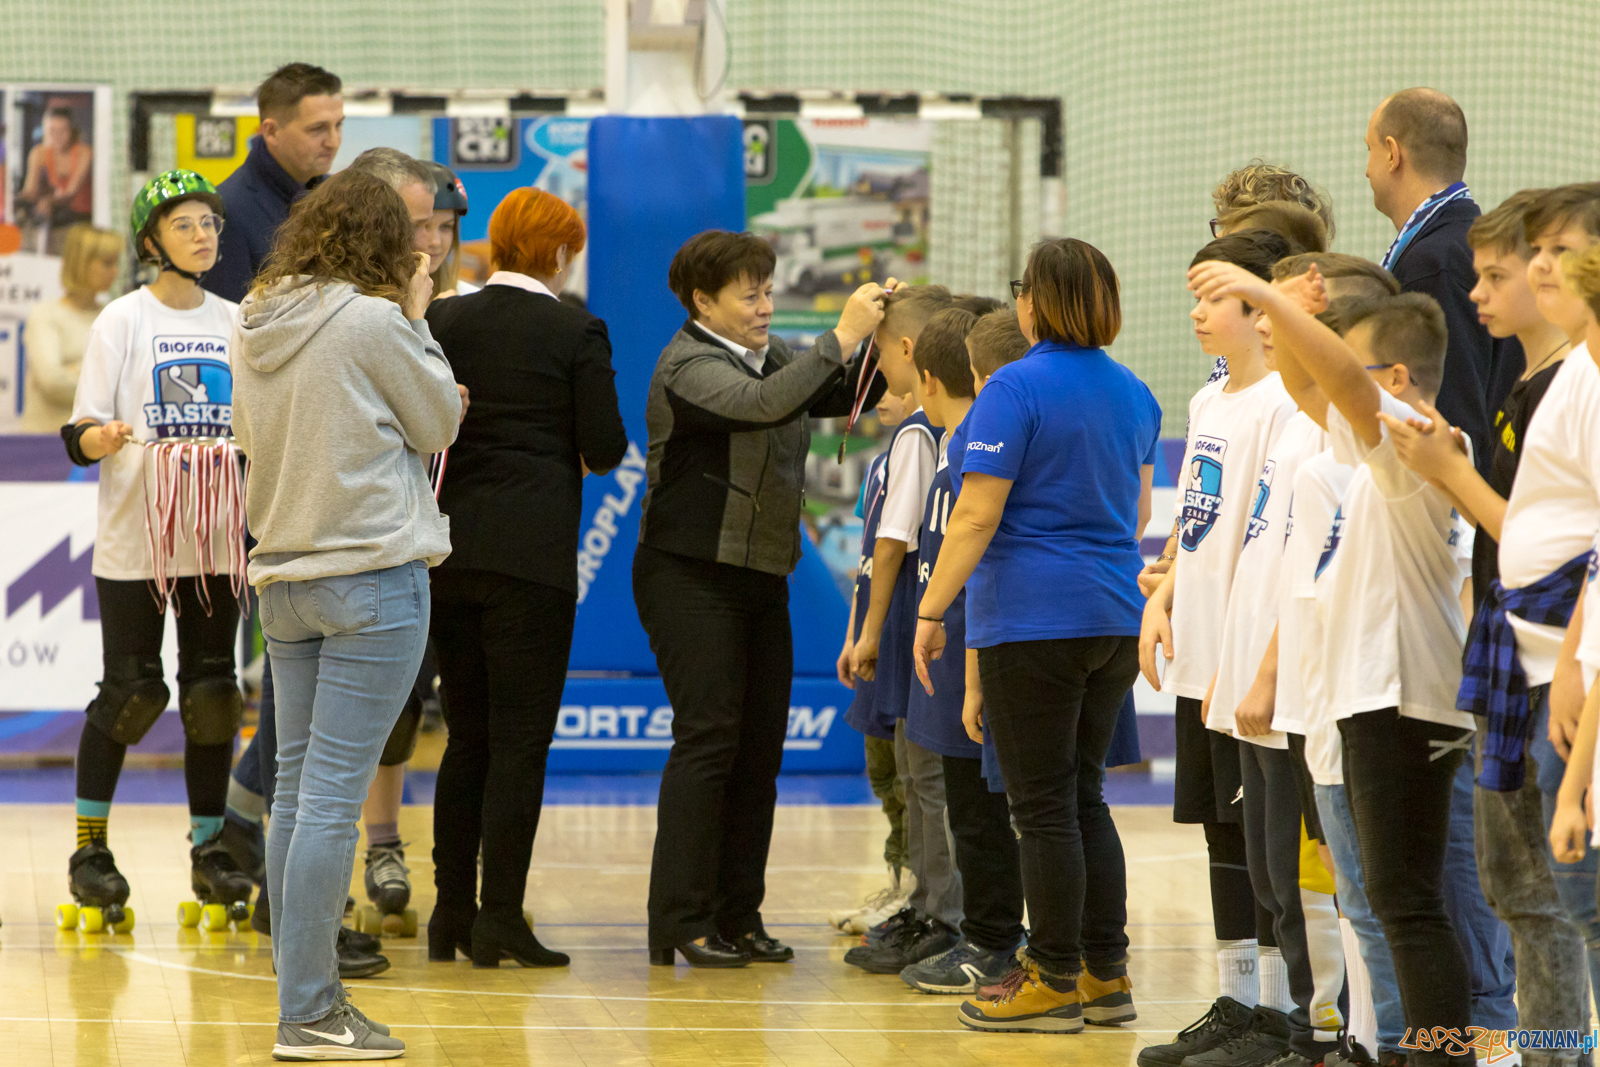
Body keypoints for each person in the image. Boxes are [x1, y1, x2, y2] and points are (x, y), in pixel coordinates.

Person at [1189, 258, 1474, 1067]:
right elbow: (1322, 391)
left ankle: (1442, 1054)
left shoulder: (1418, 444)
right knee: (1384, 900)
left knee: (1409, 904)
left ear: (1393, 375)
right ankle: (1393, 1047)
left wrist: (1271, 301)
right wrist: (1283, 324)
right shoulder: (1357, 460)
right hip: (1366, 702)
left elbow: (1342, 384)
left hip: (1405, 703)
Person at [233, 167, 461, 1061]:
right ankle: (310, 1010)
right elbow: (439, 420)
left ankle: (305, 1000)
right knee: (327, 800)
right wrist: (416, 315)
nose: (422, 248)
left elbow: (253, 440)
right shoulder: (373, 320)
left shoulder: (256, 316)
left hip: (284, 578)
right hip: (371, 575)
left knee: (297, 792)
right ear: (379, 242)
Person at [911, 237, 1159, 1032]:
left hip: (1034, 622)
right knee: (1085, 797)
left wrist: (929, 611)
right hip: (1113, 617)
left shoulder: (1013, 388)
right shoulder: (1136, 391)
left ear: (1033, 303)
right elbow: (1142, 514)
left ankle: (1050, 976)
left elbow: (977, 514)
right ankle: (1103, 974)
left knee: (1043, 807)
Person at [633, 230, 887, 968]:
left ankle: (739, 915)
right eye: (750, 294)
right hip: (688, 574)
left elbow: (843, 387)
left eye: (769, 290)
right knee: (710, 738)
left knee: (758, 753)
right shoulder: (686, 366)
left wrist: (894, 331)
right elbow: (765, 403)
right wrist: (843, 332)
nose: (765, 306)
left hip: (759, 576)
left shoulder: (772, 353)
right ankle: (679, 919)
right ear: (701, 300)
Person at [1383, 188, 1592, 1067]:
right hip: (1523, 651)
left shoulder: (1572, 388)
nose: (1490, 288)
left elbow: (1548, 542)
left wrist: (1447, 472)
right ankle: (1552, 1049)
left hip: (1557, 658)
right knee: (1525, 891)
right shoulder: (1534, 381)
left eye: (1513, 267)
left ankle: (1555, 1049)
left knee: (1555, 892)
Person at [423, 187, 627, 967]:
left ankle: (450, 913)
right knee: (520, 743)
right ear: (561, 252)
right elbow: (605, 445)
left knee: (465, 738)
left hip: (449, 551)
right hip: (532, 561)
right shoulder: (577, 328)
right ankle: (500, 916)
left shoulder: (445, 318)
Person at [58, 170, 250, 937]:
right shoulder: (122, 321)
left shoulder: (238, 319)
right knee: (129, 693)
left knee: (212, 696)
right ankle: (89, 849)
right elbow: (79, 432)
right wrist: (100, 437)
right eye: (185, 225)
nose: (203, 235)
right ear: (151, 242)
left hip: (211, 538)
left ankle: (209, 847)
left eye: (210, 223)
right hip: (138, 536)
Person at [1138, 230, 1299, 1066]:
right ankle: (1239, 1001)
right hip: (1198, 657)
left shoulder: (1281, 405)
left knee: (1268, 850)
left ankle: (1281, 1017)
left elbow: (1267, 542)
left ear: (1261, 306)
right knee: (1220, 839)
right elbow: (1195, 528)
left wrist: (1254, 659)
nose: (1197, 314)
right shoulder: (1209, 401)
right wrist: (1162, 595)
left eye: (1213, 299)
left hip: (1244, 668)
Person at [1201, 253, 1345, 1065]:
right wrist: (1233, 659)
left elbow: (1309, 571)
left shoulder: (1321, 429)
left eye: (1275, 308)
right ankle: (1299, 1022)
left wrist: (1264, 670)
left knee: (1304, 882)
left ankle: (1318, 1029)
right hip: (1257, 681)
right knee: (1266, 874)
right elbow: (1257, 553)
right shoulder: (1284, 416)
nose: (1262, 323)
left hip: (1296, 692)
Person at [896, 307, 1029, 996]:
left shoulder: (977, 440)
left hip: (972, 642)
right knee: (962, 801)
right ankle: (991, 933)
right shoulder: (954, 441)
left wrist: (940, 620)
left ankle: (994, 939)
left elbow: (978, 548)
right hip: (951, 642)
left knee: (982, 809)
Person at [844, 285, 964, 977]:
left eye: (883, 347)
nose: (877, 362)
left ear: (910, 351)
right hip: (894, 624)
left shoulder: (922, 432)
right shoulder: (912, 435)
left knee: (924, 777)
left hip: (908, 627)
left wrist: (868, 630)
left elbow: (895, 544)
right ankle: (924, 903)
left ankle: (941, 913)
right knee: (913, 775)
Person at [1365, 87, 1520, 465]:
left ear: (1391, 152)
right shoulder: (1465, 241)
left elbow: (1453, 420)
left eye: (1367, 150)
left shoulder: (1435, 263)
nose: (1366, 169)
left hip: (1446, 509)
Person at [831, 389, 915, 937]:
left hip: (901, 636)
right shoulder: (883, 462)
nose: (878, 398)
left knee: (912, 780)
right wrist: (853, 633)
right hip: (871, 637)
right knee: (882, 771)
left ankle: (915, 894)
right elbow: (867, 560)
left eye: (890, 385)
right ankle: (898, 884)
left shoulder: (927, 449)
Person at [204, 63, 343, 304]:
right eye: (318, 129)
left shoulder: (340, 199)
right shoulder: (228, 209)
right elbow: (229, 324)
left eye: (339, 125)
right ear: (271, 131)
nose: (333, 141)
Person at [21, 223, 120, 433]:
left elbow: (128, 381)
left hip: (96, 443)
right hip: (46, 445)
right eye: (107, 263)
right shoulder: (46, 315)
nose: (115, 271)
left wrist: (76, 370)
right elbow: (52, 382)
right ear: (82, 263)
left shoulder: (114, 316)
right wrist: (105, 380)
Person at [17, 106, 93, 251]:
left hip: (84, 218)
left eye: (63, 130)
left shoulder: (84, 152)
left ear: (71, 131)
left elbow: (71, 193)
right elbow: (30, 191)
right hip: (59, 217)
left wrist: (48, 201)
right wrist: (18, 200)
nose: (57, 135)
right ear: (44, 130)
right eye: (52, 130)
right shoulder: (39, 153)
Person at [420, 161, 474, 297]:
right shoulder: (366, 304)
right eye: (424, 226)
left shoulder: (470, 300)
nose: (435, 242)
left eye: (446, 227)